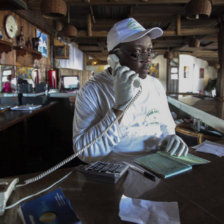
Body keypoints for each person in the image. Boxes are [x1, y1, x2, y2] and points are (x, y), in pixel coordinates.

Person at [73, 18, 188, 163]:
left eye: (149, 51)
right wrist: (119, 107)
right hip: (120, 170)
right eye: (137, 53)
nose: (147, 60)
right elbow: (85, 153)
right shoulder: (91, 90)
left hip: (158, 163)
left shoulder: (155, 85)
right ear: (114, 58)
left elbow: (167, 126)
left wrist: (171, 138)